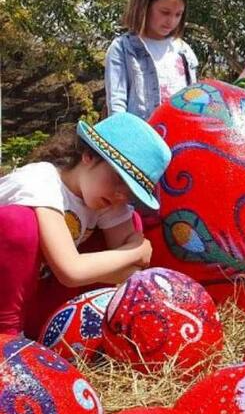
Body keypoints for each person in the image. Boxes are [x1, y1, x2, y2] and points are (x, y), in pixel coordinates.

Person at [0, 112, 170, 336]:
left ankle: (65, 334)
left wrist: (125, 258)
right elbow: (71, 270)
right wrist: (135, 250)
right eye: (119, 179)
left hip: (33, 296)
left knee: (131, 223)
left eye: (131, 193)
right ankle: (6, 340)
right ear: (88, 155)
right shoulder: (40, 181)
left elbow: (132, 274)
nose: (121, 196)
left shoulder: (102, 196)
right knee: (19, 223)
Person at [105, 0, 198, 120]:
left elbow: (193, 102)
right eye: (165, 12)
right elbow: (117, 106)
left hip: (178, 140)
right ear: (144, 6)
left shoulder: (184, 51)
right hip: (140, 140)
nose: (171, 21)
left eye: (178, 14)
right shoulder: (123, 49)